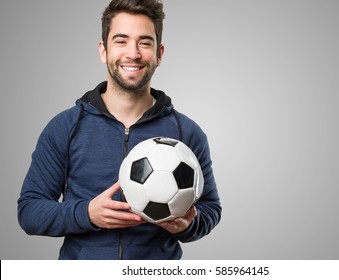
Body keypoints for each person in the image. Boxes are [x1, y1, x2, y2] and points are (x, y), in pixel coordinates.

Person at [17, 0, 221, 260]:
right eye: (121, 41)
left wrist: (188, 225)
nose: (133, 53)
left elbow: (210, 209)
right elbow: (29, 211)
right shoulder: (65, 127)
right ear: (103, 50)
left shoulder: (187, 133)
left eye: (145, 42)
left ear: (159, 54)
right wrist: (87, 214)